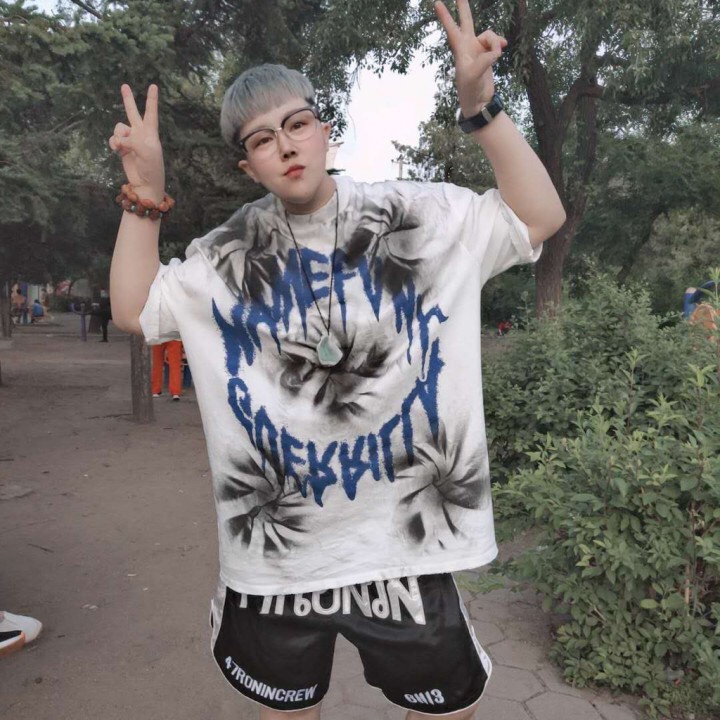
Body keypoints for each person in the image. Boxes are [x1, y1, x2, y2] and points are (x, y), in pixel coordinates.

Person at [107, 1, 566, 717]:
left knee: (451, 709)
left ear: (326, 129)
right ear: (248, 164)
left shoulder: (415, 218)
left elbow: (538, 217)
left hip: (406, 551)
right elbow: (135, 310)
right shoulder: (225, 257)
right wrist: (144, 193)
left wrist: (482, 109)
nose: (286, 146)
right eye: (263, 139)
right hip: (278, 561)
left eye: (297, 124)